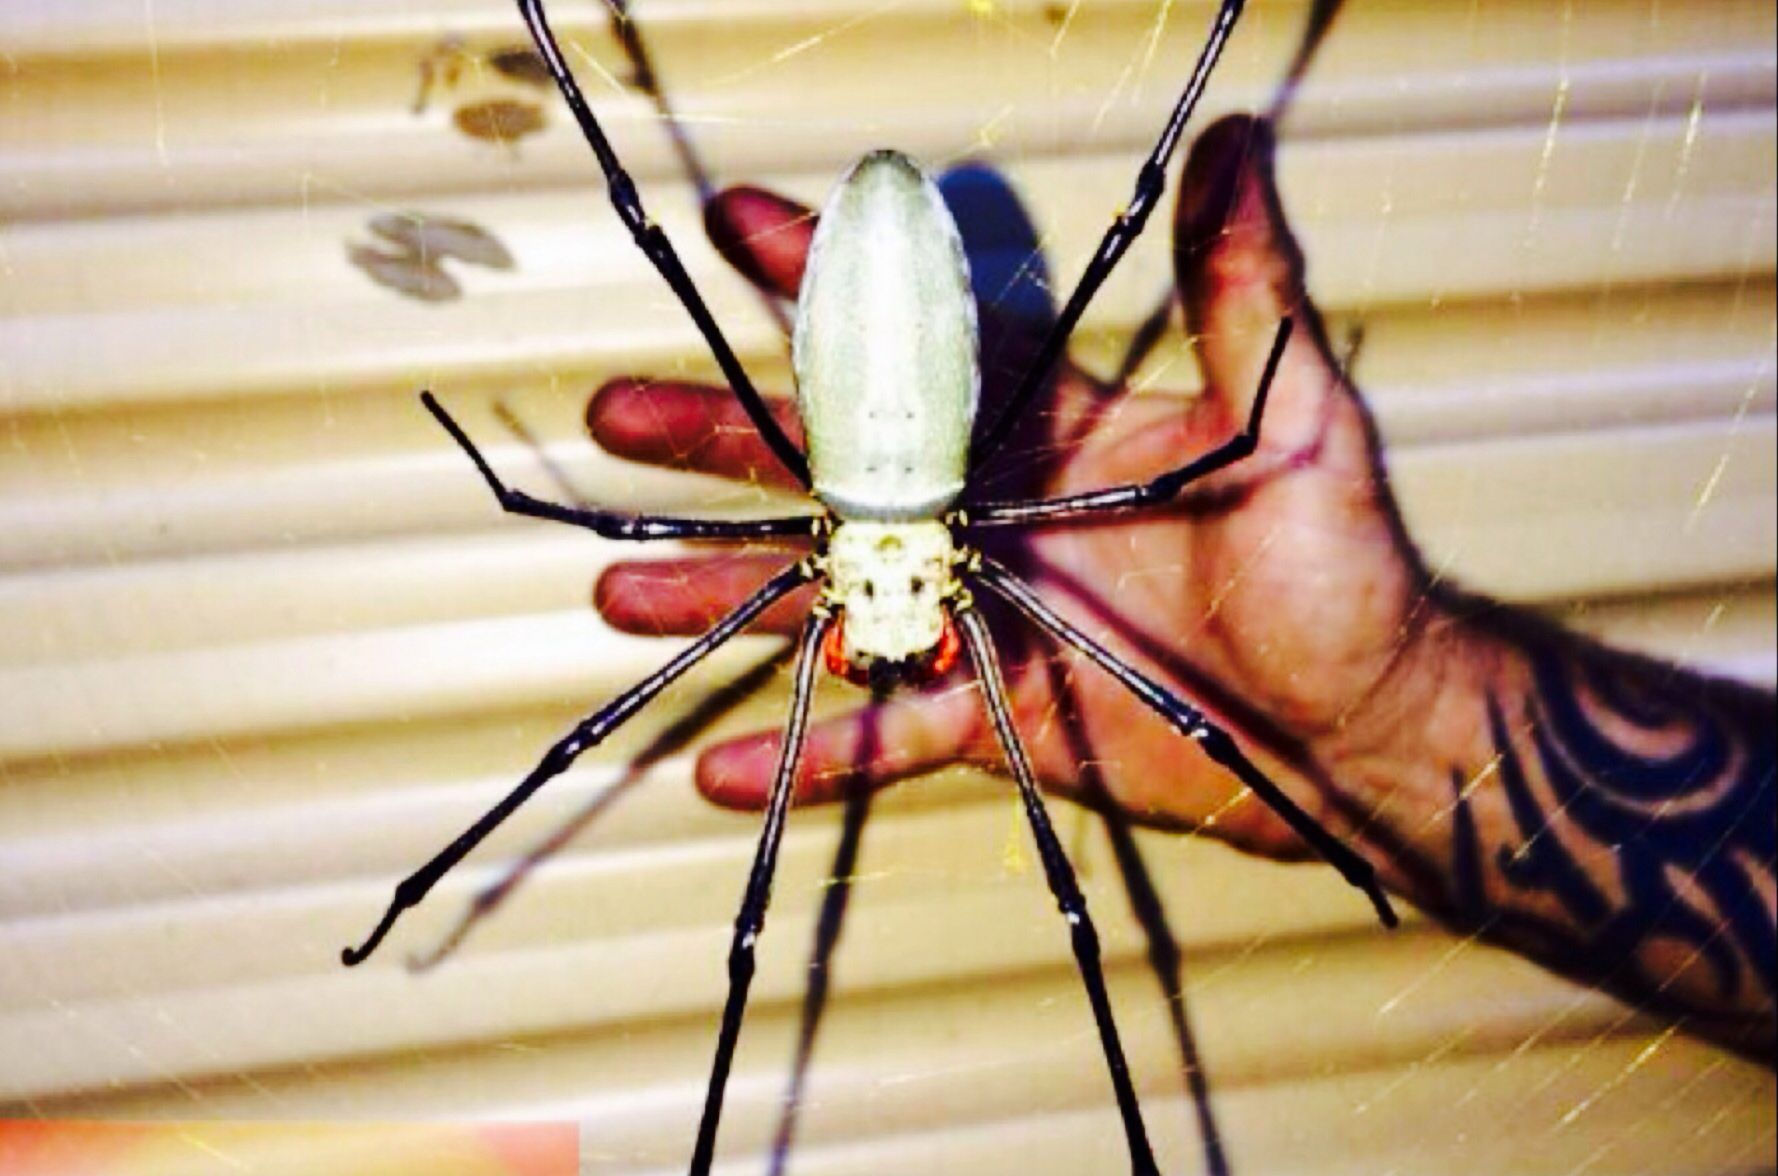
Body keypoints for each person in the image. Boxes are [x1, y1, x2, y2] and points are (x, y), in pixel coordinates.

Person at [587, 115, 1775, 1061]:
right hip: (901, 440)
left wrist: (1387, 719)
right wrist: (1395, 725)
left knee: (1053, 902)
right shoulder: (997, 579)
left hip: (868, 447)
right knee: (1004, 901)